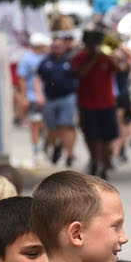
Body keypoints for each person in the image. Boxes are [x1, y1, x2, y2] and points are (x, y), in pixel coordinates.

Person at [71, 28, 123, 179]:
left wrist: (109, 56)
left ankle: (104, 163)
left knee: (107, 136)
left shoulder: (107, 56)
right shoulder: (80, 57)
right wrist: (94, 59)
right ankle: (94, 160)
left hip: (107, 103)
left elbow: (119, 69)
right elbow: (80, 74)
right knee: (91, 135)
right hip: (87, 104)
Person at [37, 35, 79, 167]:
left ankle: (69, 153)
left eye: (59, 46)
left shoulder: (70, 60)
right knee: (52, 128)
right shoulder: (45, 62)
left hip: (67, 97)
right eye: (54, 46)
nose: (57, 48)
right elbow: (38, 79)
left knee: (66, 125)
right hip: (50, 99)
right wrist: (39, 95)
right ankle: (56, 147)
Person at [17, 33, 49, 158]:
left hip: (46, 96)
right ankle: (36, 147)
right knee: (35, 122)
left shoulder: (45, 57)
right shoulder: (26, 58)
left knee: (44, 123)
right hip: (32, 96)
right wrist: (24, 97)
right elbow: (22, 79)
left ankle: (43, 143)